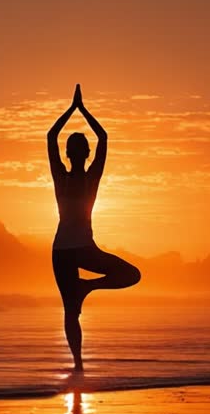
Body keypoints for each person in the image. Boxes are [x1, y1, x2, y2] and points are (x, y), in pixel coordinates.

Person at [47, 84, 141, 371]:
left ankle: (85, 291)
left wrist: (75, 109)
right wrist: (81, 109)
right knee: (72, 309)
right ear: (81, 153)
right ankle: (78, 365)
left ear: (79, 153)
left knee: (74, 308)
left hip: (70, 250)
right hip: (73, 251)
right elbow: (101, 137)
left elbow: (54, 136)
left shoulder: (78, 177)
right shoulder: (76, 177)